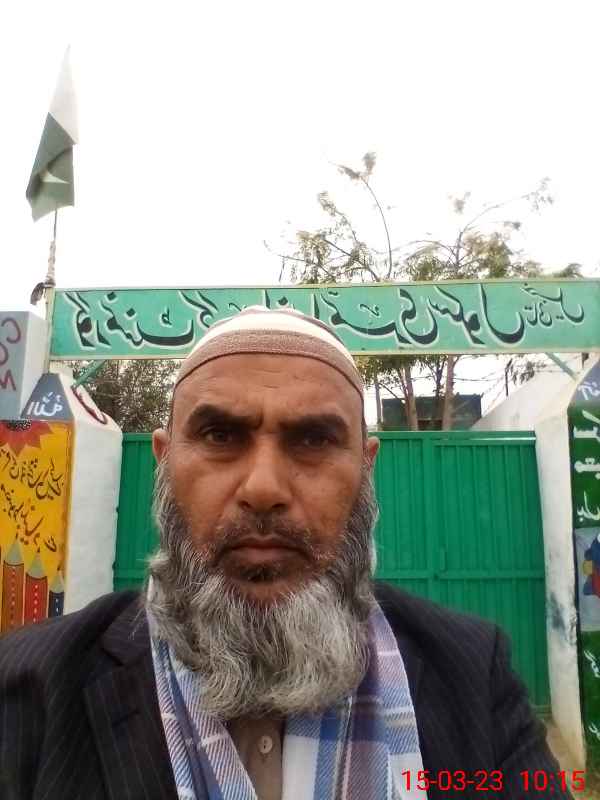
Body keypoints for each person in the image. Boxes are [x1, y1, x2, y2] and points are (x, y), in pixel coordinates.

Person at [0, 306, 571, 800]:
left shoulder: (471, 673)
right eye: (221, 436)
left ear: (365, 467)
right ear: (165, 463)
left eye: (313, 439)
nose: (264, 488)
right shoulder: (31, 688)